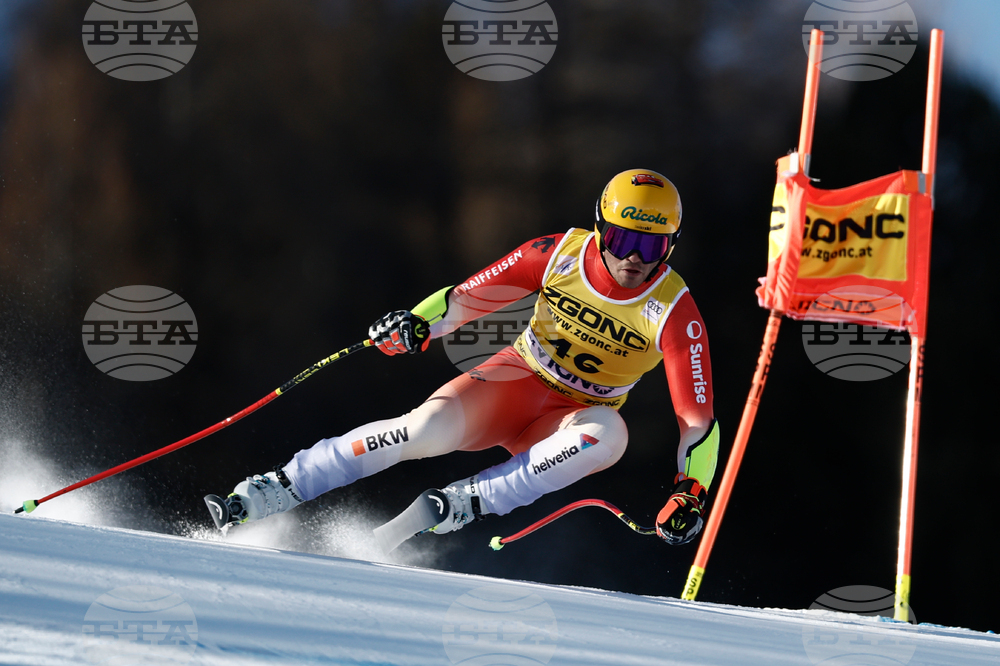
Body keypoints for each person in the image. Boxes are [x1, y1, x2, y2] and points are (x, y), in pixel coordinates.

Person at [205, 169, 720, 553]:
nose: (634, 258)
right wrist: (418, 323)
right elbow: (466, 298)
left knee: (610, 436)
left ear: (671, 246)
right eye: (623, 239)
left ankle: (464, 502)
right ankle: (270, 490)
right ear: (600, 228)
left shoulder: (675, 311)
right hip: (515, 379)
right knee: (418, 432)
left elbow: (697, 421)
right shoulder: (557, 255)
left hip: (575, 415)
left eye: (652, 247)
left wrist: (690, 492)